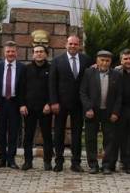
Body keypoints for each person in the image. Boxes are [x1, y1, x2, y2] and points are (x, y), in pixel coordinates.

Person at [49, 35, 92, 172]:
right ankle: (59, 161)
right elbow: (52, 83)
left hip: (79, 104)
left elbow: (90, 80)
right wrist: (54, 101)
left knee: (77, 133)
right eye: (71, 44)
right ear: (65, 44)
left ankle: (76, 162)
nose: (73, 46)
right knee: (59, 133)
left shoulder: (86, 60)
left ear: (79, 46)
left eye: (76, 44)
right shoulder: (57, 61)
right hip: (60, 103)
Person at [80, 50, 118, 173]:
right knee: (91, 139)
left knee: (110, 139)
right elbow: (83, 92)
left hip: (109, 112)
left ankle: (106, 165)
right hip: (92, 111)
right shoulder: (88, 73)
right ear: (97, 61)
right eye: (102, 60)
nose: (104, 63)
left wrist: (115, 112)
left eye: (107, 60)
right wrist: (88, 108)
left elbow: (119, 96)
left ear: (110, 62)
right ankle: (93, 165)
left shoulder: (116, 75)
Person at [21, 45, 53, 170]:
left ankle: (47, 161)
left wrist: (49, 103)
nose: (38, 54)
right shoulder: (26, 69)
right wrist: (22, 104)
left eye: (41, 52)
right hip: (29, 109)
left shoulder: (51, 69)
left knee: (47, 136)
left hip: (45, 109)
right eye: (36, 52)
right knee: (28, 136)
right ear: (33, 54)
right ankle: (28, 162)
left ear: (46, 54)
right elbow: (21, 88)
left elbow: (53, 89)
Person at [0, 42, 26, 168]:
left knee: (14, 132)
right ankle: (2, 158)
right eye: (8, 51)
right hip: (0, 103)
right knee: (0, 132)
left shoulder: (22, 68)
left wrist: (23, 104)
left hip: (15, 103)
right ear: (4, 52)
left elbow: (24, 88)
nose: (10, 54)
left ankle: (11, 159)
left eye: (13, 51)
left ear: (16, 52)